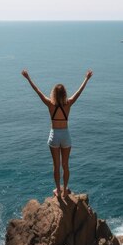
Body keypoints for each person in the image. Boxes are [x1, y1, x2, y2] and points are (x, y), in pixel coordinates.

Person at [21, 69, 93, 198]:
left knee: (56, 166)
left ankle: (58, 192)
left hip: (54, 135)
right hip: (65, 135)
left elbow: (37, 91)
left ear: (54, 93)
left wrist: (28, 78)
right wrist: (86, 79)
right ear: (64, 93)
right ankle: (65, 190)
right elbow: (79, 92)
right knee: (66, 165)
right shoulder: (68, 104)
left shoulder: (50, 104)